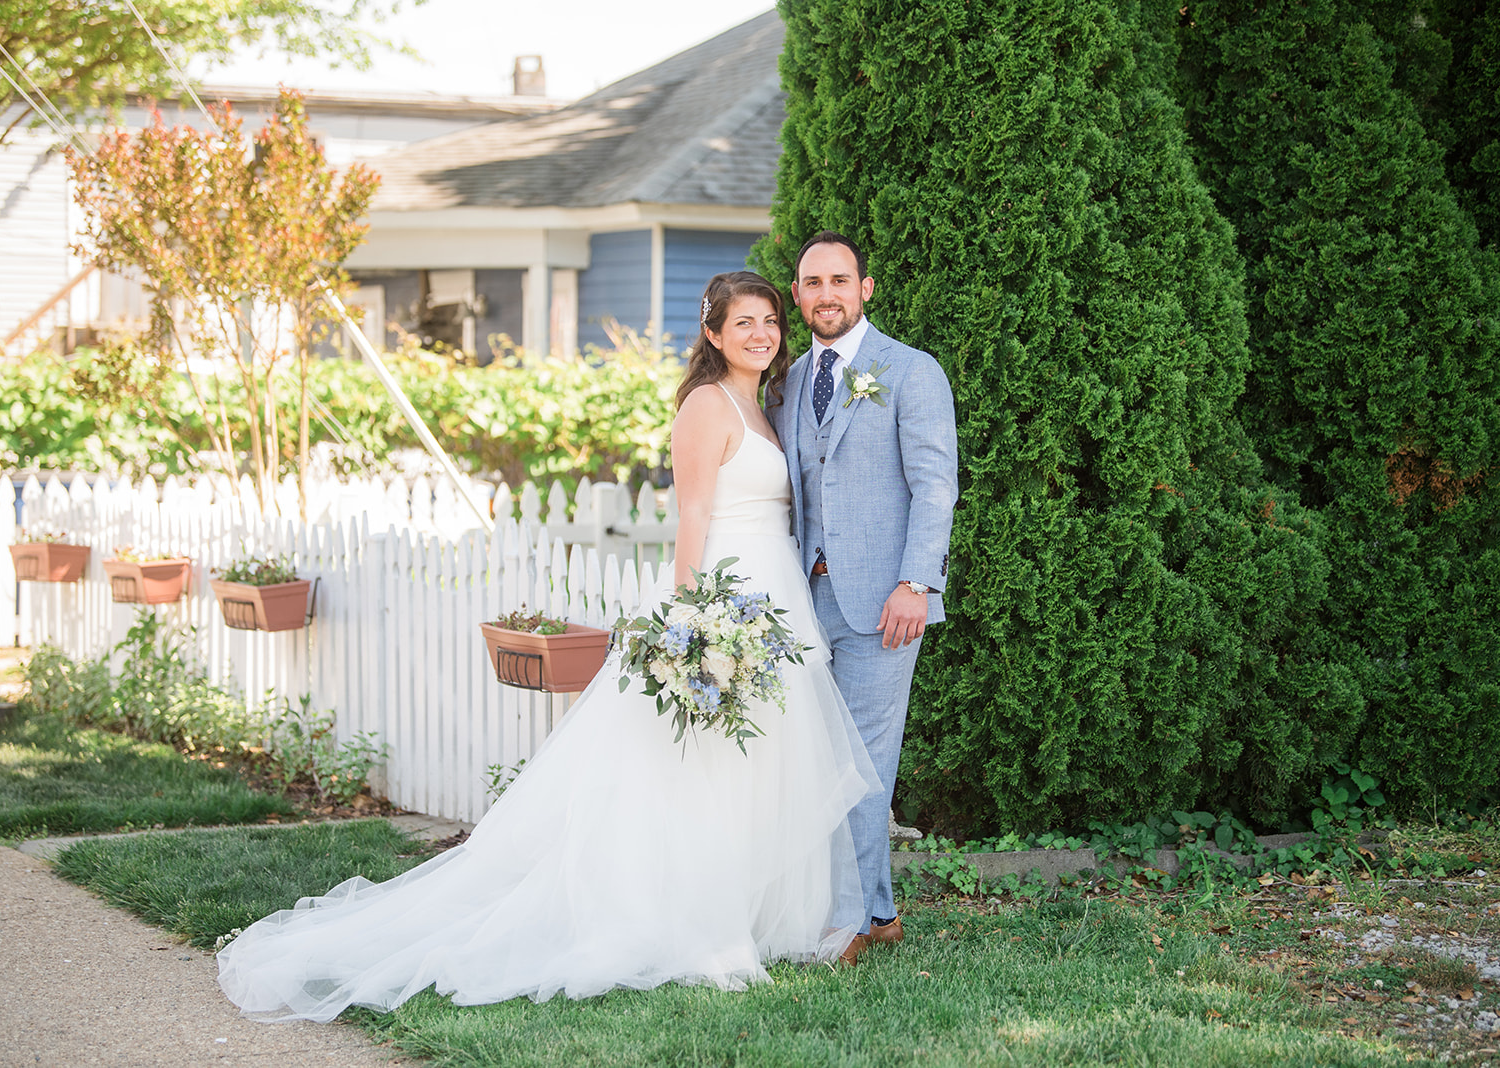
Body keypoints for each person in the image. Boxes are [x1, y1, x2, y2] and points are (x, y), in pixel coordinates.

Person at [216, 271, 878, 1021]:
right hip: (723, 601)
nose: (761, 334)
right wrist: (696, 625)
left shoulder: (763, 406)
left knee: (758, 766)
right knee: (708, 774)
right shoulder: (705, 405)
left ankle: (759, 917)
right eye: (744, 322)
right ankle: (701, 926)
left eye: (769, 321)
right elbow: (691, 519)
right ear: (713, 333)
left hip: (775, 598)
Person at [766, 231, 959, 964]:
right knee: (821, 759)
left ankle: (845, 922)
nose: (827, 294)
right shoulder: (786, 384)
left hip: (884, 601)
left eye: (840, 280)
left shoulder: (910, 371)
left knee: (866, 764)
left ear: (866, 288)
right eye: (812, 283)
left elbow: (936, 485)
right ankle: (879, 912)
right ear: (797, 295)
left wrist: (917, 583)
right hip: (802, 599)